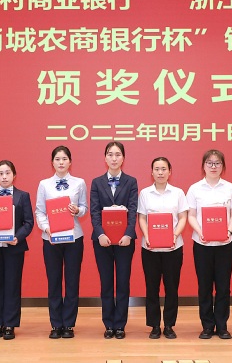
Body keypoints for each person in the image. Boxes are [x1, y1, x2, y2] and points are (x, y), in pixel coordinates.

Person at [186, 149, 232, 340]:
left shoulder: (230, 188)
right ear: (203, 166)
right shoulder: (195, 189)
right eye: (209, 163)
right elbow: (191, 215)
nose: (213, 166)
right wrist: (200, 232)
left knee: (224, 287)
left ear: (222, 166)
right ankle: (207, 326)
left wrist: (228, 231)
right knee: (204, 287)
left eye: (217, 163)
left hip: (225, 244)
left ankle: (222, 325)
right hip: (202, 245)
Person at [35, 145, 88, 339]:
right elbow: (39, 211)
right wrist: (47, 228)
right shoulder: (44, 184)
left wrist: (78, 210)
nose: (61, 162)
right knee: (54, 281)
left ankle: (69, 324)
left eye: (64, 159)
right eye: (57, 159)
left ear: (70, 162)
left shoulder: (79, 183)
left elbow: (84, 207)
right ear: (52, 162)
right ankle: (56, 324)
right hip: (51, 239)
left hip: (74, 237)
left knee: (72, 281)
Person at [0, 160, 34, 340]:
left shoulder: (22, 196)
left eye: (7, 173)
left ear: (14, 175)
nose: (4, 177)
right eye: (0, 173)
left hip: (14, 247)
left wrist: (18, 237)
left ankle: (10, 324)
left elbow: (29, 222)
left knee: (12, 285)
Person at [89, 141, 138, 339]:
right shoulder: (96, 182)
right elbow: (94, 211)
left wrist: (128, 234)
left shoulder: (131, 181)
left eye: (118, 154)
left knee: (123, 282)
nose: (114, 158)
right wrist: (100, 234)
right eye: (110, 154)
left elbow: (133, 210)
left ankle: (120, 325)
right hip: (102, 241)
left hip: (125, 241)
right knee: (106, 282)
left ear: (123, 158)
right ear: (105, 158)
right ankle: (108, 324)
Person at [137, 157, 188, 340]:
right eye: (157, 169)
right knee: (152, 287)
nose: (160, 172)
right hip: (150, 248)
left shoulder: (178, 193)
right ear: (152, 172)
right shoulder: (145, 193)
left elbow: (183, 217)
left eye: (164, 169)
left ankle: (169, 325)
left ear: (169, 172)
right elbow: (142, 218)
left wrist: (174, 234)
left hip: (173, 248)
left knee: (171, 288)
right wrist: (147, 236)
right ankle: (154, 326)